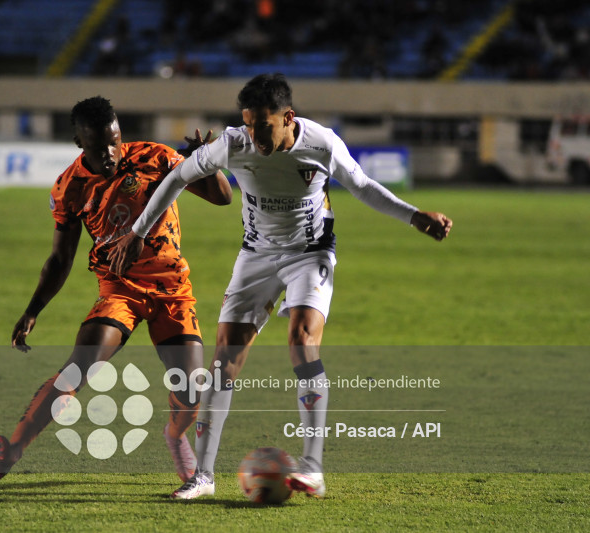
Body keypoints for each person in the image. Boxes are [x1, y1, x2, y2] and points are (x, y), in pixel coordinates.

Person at [109, 73, 452, 500]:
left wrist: (414, 215)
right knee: (224, 364)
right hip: (256, 255)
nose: (254, 136)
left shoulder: (321, 143)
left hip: (310, 253)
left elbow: (361, 185)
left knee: (301, 341)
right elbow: (177, 178)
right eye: (248, 124)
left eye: (263, 126)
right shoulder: (234, 144)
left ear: (288, 118)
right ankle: (204, 476)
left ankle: (312, 468)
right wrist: (139, 232)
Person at [0, 96, 232, 482]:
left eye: (115, 141)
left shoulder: (156, 157)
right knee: (81, 365)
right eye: (100, 148)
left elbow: (222, 197)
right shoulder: (70, 187)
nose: (111, 154)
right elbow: (60, 259)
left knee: (191, 390)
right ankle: (13, 447)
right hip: (119, 290)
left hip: (171, 286)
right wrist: (33, 309)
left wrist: (207, 160)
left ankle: (174, 435)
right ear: (79, 144)